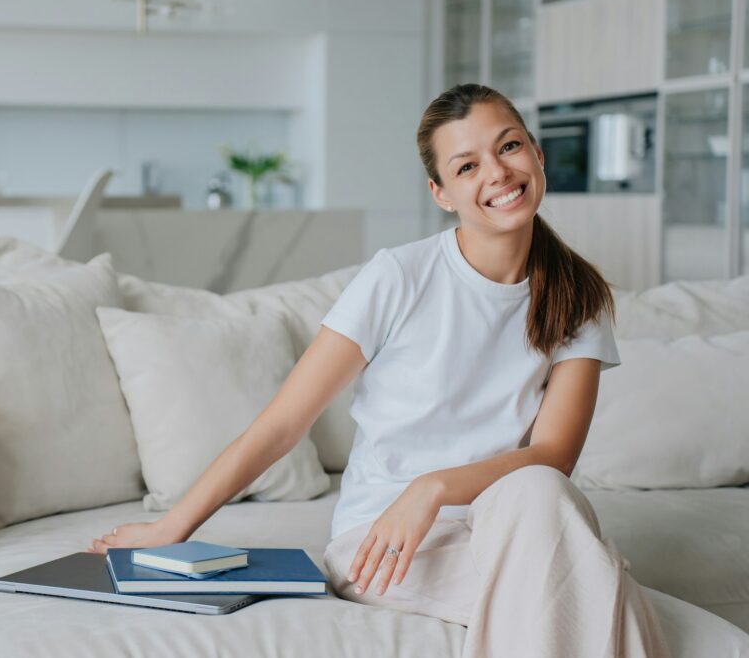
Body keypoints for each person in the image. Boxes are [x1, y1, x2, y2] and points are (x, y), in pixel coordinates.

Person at [87, 84, 670, 656]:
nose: (497, 173)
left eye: (509, 147)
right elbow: (281, 426)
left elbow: (553, 456)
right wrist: (172, 528)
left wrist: (434, 486)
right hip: (388, 542)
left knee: (541, 491)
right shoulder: (399, 277)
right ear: (441, 192)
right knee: (604, 602)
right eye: (467, 166)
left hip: (515, 524)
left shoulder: (578, 295)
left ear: (537, 155)